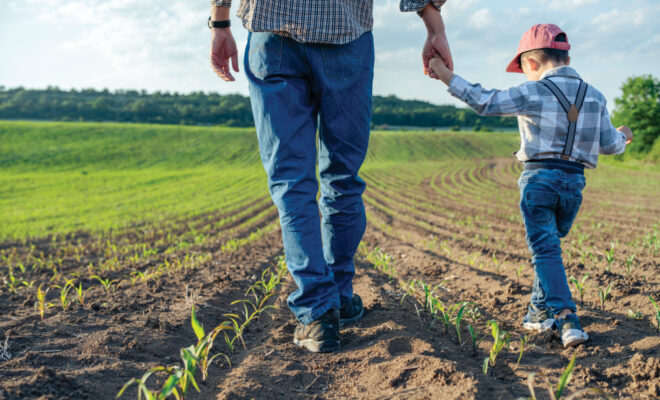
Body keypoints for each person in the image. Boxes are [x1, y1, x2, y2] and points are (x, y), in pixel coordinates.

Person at [209, 0, 453, 353]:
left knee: (291, 182)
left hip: (272, 35)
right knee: (342, 178)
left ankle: (318, 311)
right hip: (345, 35)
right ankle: (337, 294)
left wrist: (220, 23)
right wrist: (434, 26)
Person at [428, 23, 633, 348]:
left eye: (522, 69)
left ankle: (567, 319)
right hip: (574, 185)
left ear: (531, 63)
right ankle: (538, 314)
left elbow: (485, 101)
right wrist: (624, 135)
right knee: (550, 247)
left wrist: (444, 74)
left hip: (539, 180)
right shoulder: (595, 96)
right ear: (566, 57)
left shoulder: (533, 90)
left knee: (545, 250)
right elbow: (610, 144)